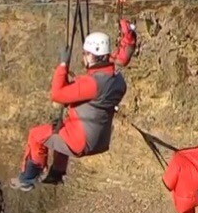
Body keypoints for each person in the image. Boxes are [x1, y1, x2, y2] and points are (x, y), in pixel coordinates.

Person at [10, 31, 127, 191]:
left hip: (81, 140)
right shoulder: (118, 80)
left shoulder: (93, 83)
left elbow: (57, 95)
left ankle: (28, 178)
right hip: (99, 140)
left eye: (86, 54)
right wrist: (75, 85)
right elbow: (95, 99)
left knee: (36, 135)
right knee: (61, 128)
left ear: (93, 55)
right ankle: (56, 174)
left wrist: (63, 66)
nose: (83, 57)